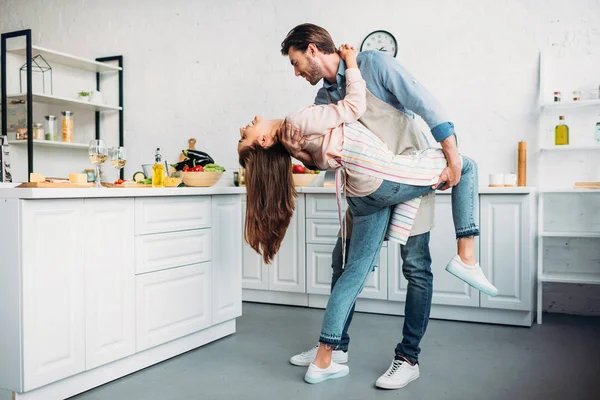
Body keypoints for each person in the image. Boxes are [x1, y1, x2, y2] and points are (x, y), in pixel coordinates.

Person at [238, 44, 497, 386]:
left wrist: (449, 157)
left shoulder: (372, 64)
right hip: (381, 178)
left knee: (414, 266)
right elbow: (344, 122)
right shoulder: (317, 103)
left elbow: (426, 105)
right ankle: (334, 347)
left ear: (312, 49)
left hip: (403, 165)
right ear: (266, 141)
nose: (296, 72)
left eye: (297, 63)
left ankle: (403, 357)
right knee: (344, 265)